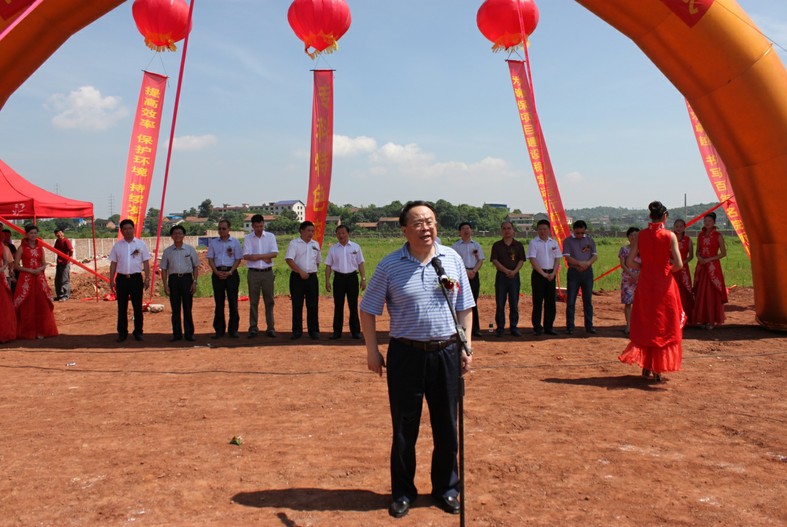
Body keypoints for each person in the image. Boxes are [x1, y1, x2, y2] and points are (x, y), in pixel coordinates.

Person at [360, 201, 474, 519]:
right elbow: (367, 309)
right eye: (419, 223)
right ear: (405, 230)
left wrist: (467, 346)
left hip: (446, 352)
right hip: (406, 355)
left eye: (430, 221)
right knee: (404, 427)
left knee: (447, 426)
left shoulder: (451, 259)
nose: (426, 228)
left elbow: (465, 306)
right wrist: (372, 350)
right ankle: (403, 492)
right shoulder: (389, 265)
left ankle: (446, 488)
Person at [619, 201, 684, 382]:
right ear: (665, 216)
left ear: (650, 216)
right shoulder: (670, 235)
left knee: (647, 322)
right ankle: (658, 367)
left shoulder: (641, 235)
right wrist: (666, 269)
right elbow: (679, 264)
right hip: (664, 284)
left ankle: (646, 365)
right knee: (662, 324)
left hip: (646, 283)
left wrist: (644, 267)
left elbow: (630, 261)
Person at [13, 224, 58, 339]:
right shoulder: (21, 248)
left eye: (35, 233)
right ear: (26, 234)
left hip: (39, 278)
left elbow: (44, 263)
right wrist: (30, 270)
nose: (33, 235)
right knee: (27, 305)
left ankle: (42, 331)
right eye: (31, 233)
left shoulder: (40, 248)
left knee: (41, 304)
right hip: (26, 279)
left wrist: (40, 269)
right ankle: (28, 332)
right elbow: (16, 266)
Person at [109, 219, 150, 342]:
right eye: (125, 229)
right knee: (122, 307)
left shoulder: (141, 244)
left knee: (137, 307)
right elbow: (113, 263)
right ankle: (122, 333)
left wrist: (147, 278)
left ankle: (138, 332)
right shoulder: (117, 246)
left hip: (136, 278)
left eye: (130, 228)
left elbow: (146, 262)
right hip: (121, 279)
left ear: (134, 229)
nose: (127, 231)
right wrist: (111, 280)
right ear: (121, 231)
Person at [324, 225, 366, 340]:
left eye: (343, 233)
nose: (341, 235)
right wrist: (327, 281)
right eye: (338, 233)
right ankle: (337, 332)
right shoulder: (333, 249)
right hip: (339, 279)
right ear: (336, 235)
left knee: (353, 305)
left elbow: (361, 264)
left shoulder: (356, 247)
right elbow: (328, 266)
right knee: (338, 306)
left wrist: (363, 279)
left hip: (352, 278)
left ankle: (355, 332)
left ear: (348, 233)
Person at [160, 225, 199, 342]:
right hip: (173, 280)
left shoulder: (190, 249)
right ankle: (176, 334)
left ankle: (189, 333)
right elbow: (164, 269)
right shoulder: (167, 251)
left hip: (187, 279)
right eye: (175, 233)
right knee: (175, 309)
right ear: (171, 236)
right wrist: (165, 285)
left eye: (180, 233)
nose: (177, 235)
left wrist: (194, 282)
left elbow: (195, 266)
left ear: (184, 235)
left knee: (187, 307)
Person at [243, 214, 278, 338]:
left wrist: (257, 256)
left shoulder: (270, 236)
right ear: (252, 226)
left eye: (261, 226)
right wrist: (265, 256)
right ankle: (253, 327)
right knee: (253, 301)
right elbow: (247, 256)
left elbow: (274, 253)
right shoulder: (248, 238)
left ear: (264, 225)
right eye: (257, 226)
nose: (259, 229)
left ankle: (270, 327)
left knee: (269, 301)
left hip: (267, 273)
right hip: (253, 273)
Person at [285, 221, 321, 340]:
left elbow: (318, 261)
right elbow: (289, 259)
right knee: (297, 304)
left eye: (312, 231)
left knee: (313, 305)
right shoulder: (294, 243)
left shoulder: (315, 244)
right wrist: (300, 271)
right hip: (297, 278)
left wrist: (311, 272)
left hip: (312, 278)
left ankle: (313, 331)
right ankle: (297, 331)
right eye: (308, 230)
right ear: (301, 231)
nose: (311, 233)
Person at [207, 219, 243, 339]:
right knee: (219, 303)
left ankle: (233, 330)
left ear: (229, 229)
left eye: (224, 228)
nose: (221, 231)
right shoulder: (213, 242)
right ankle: (219, 330)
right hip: (217, 273)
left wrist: (230, 271)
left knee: (233, 302)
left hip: (231, 274)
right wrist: (216, 272)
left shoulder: (235, 242)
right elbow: (210, 259)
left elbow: (238, 259)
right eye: (219, 228)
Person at [490, 221, 526, 336]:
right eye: (504, 228)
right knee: (500, 304)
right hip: (501, 277)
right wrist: (506, 271)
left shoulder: (518, 245)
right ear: (501, 231)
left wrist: (514, 271)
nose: (507, 231)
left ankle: (513, 327)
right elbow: (495, 260)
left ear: (513, 230)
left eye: (509, 228)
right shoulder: (497, 245)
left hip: (514, 277)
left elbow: (521, 260)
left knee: (514, 303)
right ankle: (500, 328)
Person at [563, 220, 598, 335]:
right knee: (571, 300)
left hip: (587, 273)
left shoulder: (589, 240)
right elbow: (567, 257)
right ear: (573, 230)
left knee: (587, 300)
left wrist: (587, 264)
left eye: (582, 233)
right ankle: (570, 327)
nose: (580, 235)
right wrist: (579, 263)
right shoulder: (568, 241)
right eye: (577, 233)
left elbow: (594, 255)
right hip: (574, 272)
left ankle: (589, 326)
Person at [527, 219, 561, 336]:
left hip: (551, 274)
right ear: (537, 230)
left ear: (549, 230)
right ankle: (537, 327)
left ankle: (549, 327)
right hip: (538, 275)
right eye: (540, 229)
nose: (542, 231)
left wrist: (553, 272)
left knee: (550, 302)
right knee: (537, 302)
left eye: (545, 229)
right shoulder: (533, 243)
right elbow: (532, 259)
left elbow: (557, 258)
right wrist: (543, 274)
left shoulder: (554, 243)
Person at [693, 212, 727, 328]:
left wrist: (709, 259)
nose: (707, 223)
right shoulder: (700, 235)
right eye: (705, 221)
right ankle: (702, 319)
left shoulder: (718, 236)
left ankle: (712, 320)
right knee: (701, 292)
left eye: (709, 221)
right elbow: (697, 251)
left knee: (712, 293)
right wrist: (699, 257)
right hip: (702, 266)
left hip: (713, 268)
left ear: (714, 222)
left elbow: (723, 253)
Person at [451, 222, 484, 337]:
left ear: (471, 230)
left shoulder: (476, 245)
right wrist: (466, 272)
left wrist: (474, 271)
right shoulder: (455, 246)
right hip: (461, 276)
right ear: (459, 232)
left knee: (473, 301)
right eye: (463, 229)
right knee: (459, 302)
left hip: (474, 275)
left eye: (468, 228)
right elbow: (454, 262)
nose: (466, 231)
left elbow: (480, 260)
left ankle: (475, 329)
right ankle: (458, 329)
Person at [673, 219, 695, 326]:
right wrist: (674, 262)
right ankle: (674, 318)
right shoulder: (670, 238)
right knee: (673, 291)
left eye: (681, 226)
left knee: (685, 291)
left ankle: (686, 317)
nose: (678, 228)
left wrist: (682, 263)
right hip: (672, 268)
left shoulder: (688, 240)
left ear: (684, 227)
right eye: (676, 226)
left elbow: (691, 256)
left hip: (684, 268)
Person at [619, 227, 641, 336]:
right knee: (628, 303)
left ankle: (639, 325)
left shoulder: (643, 249)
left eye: (636, 235)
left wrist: (638, 275)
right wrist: (632, 275)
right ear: (628, 236)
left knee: (640, 303)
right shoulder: (624, 249)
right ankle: (629, 325)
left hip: (640, 278)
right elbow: (623, 265)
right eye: (631, 235)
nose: (633, 237)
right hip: (627, 279)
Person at [0, 240, 17, 343]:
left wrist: (2, 268)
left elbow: (6, 261)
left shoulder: (1, 245)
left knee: (3, 305)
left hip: (1, 276)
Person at [53, 228, 73, 301]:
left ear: (63, 233)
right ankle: (59, 295)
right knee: (58, 280)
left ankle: (66, 295)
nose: (59, 234)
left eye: (60, 233)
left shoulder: (66, 241)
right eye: (57, 233)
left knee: (65, 279)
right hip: (59, 262)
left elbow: (71, 250)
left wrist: (68, 257)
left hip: (65, 263)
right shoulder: (57, 241)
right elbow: (55, 250)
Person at [3, 228, 18, 293]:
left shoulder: (11, 247)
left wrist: (12, 270)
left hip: (9, 270)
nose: (7, 237)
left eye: (9, 236)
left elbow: (14, 259)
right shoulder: (5, 247)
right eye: (6, 236)